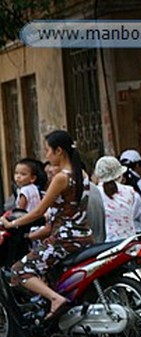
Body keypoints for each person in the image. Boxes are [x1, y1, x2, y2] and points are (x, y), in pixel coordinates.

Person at [2, 130, 92, 319]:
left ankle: (55, 299)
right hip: (83, 236)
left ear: (59, 151)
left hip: (64, 239)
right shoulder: (82, 174)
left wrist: (13, 224)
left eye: (48, 151)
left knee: (19, 271)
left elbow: (38, 211)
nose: (46, 156)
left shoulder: (61, 177)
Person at [92, 156, 141, 242]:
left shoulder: (93, 194)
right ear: (120, 175)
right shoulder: (131, 192)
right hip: (129, 243)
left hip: (104, 246)